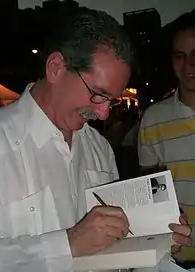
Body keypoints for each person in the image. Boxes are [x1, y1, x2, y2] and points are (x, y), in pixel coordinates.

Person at [0, 7, 191, 272]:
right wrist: (68, 244)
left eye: (110, 100)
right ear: (56, 68)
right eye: (97, 94)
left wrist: (152, 237)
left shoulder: (99, 148)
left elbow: (115, 249)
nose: (103, 112)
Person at [138, 12, 195, 265]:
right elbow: (148, 194)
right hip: (175, 259)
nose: (189, 66)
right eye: (180, 56)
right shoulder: (153, 119)